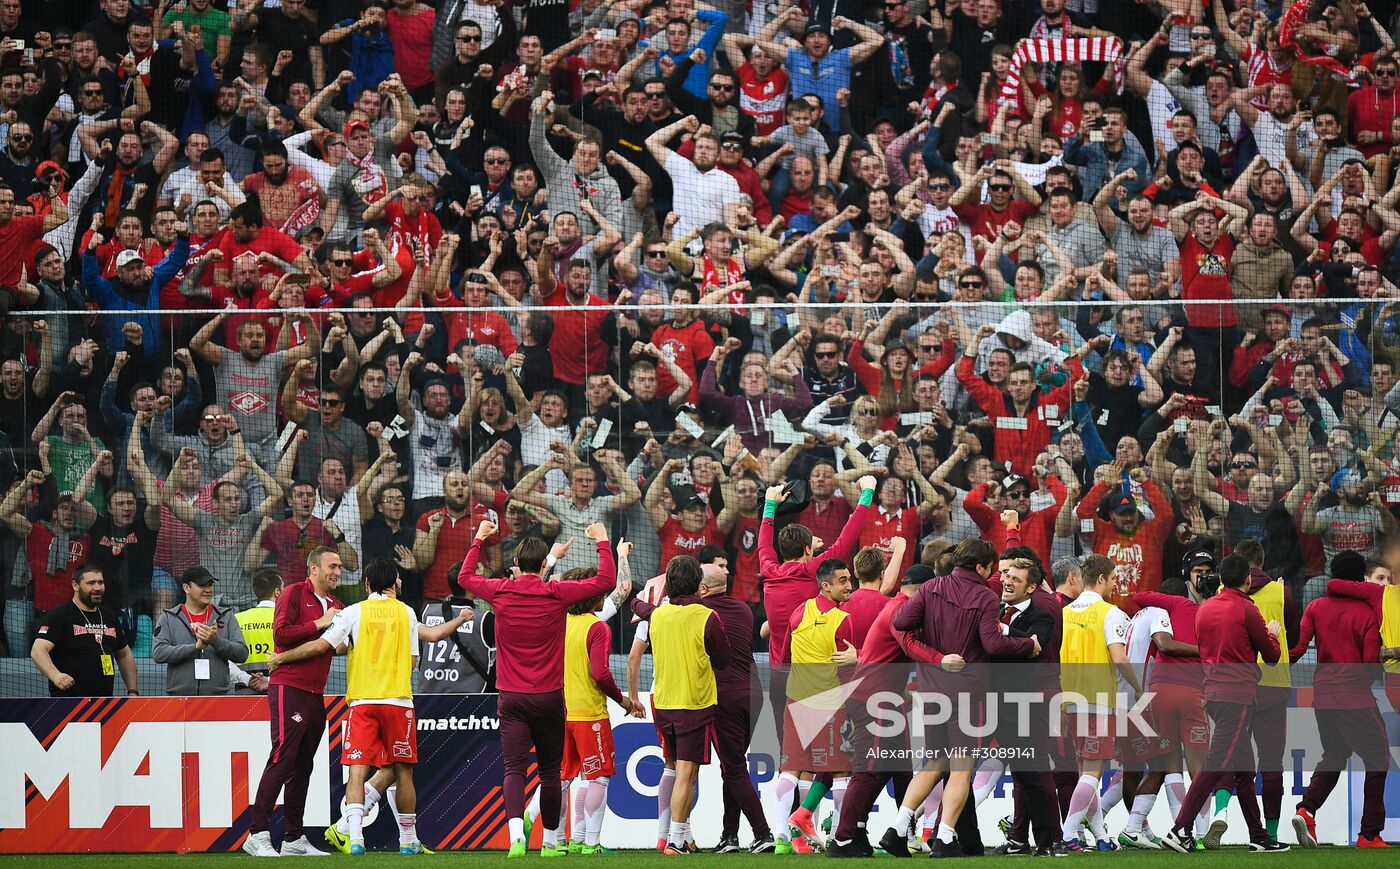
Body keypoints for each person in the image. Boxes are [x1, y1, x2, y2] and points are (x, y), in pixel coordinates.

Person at [269, 557, 471, 855]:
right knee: (402, 772)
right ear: (394, 584)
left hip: (363, 701)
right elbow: (415, 660)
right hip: (398, 700)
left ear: (366, 584)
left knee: (357, 771)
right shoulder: (407, 613)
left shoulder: (353, 612)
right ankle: (407, 841)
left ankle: (355, 839)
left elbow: (323, 647)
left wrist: (281, 658)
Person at [456, 520, 618, 858]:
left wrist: (479, 539)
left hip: (510, 697)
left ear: (516, 564)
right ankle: (550, 845)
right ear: (544, 566)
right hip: (548, 699)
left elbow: (464, 579)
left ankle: (516, 838)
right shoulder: (555, 593)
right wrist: (603, 540)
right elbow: (606, 581)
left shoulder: (501, 590)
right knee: (549, 772)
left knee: (514, 769)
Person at [879, 538, 1038, 858]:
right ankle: (945, 837)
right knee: (962, 768)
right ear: (981, 567)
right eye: (991, 567)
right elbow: (992, 644)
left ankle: (897, 829)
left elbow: (900, 622)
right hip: (967, 693)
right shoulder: (984, 596)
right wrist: (1028, 645)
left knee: (934, 762)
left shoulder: (930, 588)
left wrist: (933, 649)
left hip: (932, 690)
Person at [1162, 554, 1288, 853]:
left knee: (1243, 769)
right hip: (1239, 695)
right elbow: (1271, 657)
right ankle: (1180, 829)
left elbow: (1204, 648)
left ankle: (1258, 836)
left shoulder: (1204, 609)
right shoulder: (1248, 608)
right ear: (1248, 579)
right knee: (1216, 764)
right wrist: (1273, 634)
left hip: (1213, 694)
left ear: (1221, 579)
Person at [244, 547, 345, 857]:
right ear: (313, 569)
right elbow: (281, 634)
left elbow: (335, 648)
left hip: (316, 693)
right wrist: (321, 623)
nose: (338, 571)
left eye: (340, 566)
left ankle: (293, 839)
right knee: (282, 759)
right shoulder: (293, 593)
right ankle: (257, 833)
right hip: (289, 687)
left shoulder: (338, 606)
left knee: (303, 765)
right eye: (332, 566)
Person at [629, 554, 731, 855]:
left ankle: (678, 835)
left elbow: (636, 605)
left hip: (662, 702)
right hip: (693, 704)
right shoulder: (707, 617)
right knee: (687, 773)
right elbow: (723, 660)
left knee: (674, 768)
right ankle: (675, 840)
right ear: (698, 585)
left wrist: (632, 592)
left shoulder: (657, 614)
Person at [1287, 551, 1390, 849]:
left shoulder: (1317, 607)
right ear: (1360, 578)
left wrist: (1268, 653)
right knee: (1379, 758)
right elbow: (1370, 662)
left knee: (1334, 754)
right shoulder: (1369, 614)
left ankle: (1306, 809)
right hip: (1355, 697)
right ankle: (1369, 834)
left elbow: (1296, 651)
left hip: (1322, 696)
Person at [560, 562, 646, 853]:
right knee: (598, 777)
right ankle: (591, 843)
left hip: (560, 712)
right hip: (589, 714)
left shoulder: (559, 621)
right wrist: (624, 700)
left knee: (566, 778)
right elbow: (601, 674)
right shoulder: (596, 627)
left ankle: (563, 841)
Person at [31, 564, 138, 698]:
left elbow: (124, 654)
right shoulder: (60, 615)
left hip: (104, 701)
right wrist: (55, 675)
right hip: (68, 702)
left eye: (100, 582)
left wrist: (132, 691)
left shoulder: (109, 617)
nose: (97, 588)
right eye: (91, 583)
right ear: (75, 585)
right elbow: (38, 650)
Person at [151, 566, 248, 695]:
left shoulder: (225, 615)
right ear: (186, 588)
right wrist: (195, 647)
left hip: (217, 698)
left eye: (210, 585)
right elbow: (159, 653)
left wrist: (216, 641)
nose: (208, 590)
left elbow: (242, 653)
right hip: (180, 698)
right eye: (202, 585)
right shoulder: (169, 617)